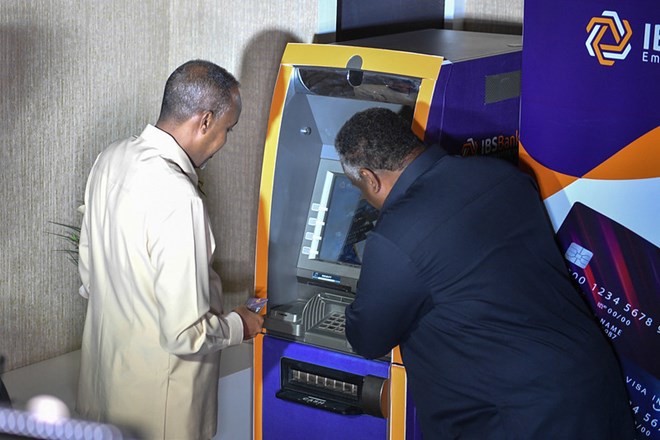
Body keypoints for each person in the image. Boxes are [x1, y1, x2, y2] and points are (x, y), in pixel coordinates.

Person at [336, 108, 634, 439]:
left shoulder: (396, 237)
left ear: (369, 177)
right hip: (588, 380)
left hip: (516, 416)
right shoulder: (502, 174)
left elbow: (366, 337)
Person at [76, 60, 263, 440]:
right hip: (157, 411)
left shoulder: (110, 158)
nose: (224, 142)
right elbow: (184, 335)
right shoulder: (179, 198)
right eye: (228, 129)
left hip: (102, 391)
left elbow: (90, 279)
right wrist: (239, 324)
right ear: (205, 121)